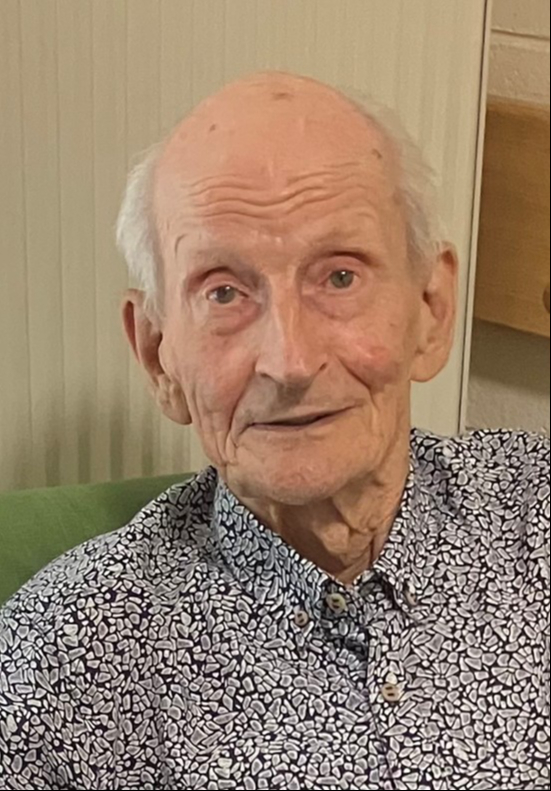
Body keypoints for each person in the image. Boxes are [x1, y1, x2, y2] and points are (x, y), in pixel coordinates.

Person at [0, 71, 548, 791]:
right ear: (157, 355)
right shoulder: (61, 663)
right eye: (224, 292)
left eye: (340, 277)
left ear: (431, 310)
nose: (289, 361)